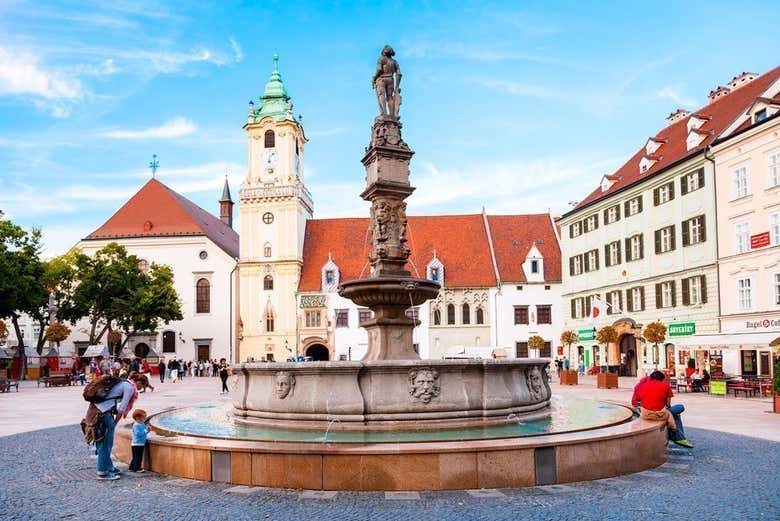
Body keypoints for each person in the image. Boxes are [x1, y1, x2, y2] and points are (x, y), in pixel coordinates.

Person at [632, 371, 693, 448]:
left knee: (672, 413)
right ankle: (678, 437)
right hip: (660, 414)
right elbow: (668, 404)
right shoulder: (665, 386)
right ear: (662, 379)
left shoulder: (641, 386)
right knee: (679, 409)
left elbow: (636, 401)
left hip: (645, 414)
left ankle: (678, 437)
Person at [95, 376, 138, 480]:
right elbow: (122, 408)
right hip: (104, 413)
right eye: (140, 387)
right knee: (106, 444)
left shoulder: (121, 382)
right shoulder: (129, 387)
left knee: (102, 442)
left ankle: (109, 468)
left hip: (95, 410)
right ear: (138, 382)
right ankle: (102, 473)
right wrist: (115, 423)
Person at [128, 409, 148, 473]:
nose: (145, 419)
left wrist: (147, 430)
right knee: (138, 457)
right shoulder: (136, 425)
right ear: (137, 418)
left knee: (135, 457)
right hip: (137, 444)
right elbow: (138, 434)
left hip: (140, 443)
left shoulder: (141, 424)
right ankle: (137, 468)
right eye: (144, 417)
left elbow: (144, 431)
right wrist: (146, 431)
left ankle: (132, 467)